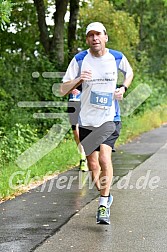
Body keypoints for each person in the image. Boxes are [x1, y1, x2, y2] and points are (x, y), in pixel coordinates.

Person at [61, 22, 133, 224]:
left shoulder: (116, 57)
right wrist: (77, 81)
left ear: (105, 37)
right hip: (86, 120)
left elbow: (130, 73)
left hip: (110, 118)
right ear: (87, 39)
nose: (95, 38)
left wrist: (123, 88)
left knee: (103, 158)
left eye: (98, 34)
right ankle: (106, 195)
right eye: (90, 35)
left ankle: (102, 205)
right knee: (92, 164)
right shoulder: (80, 59)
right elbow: (62, 89)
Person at [67, 88, 88, 172]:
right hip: (73, 101)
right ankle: (83, 156)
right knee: (75, 130)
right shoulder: (70, 74)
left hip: (87, 102)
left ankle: (87, 157)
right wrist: (70, 89)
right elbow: (62, 89)